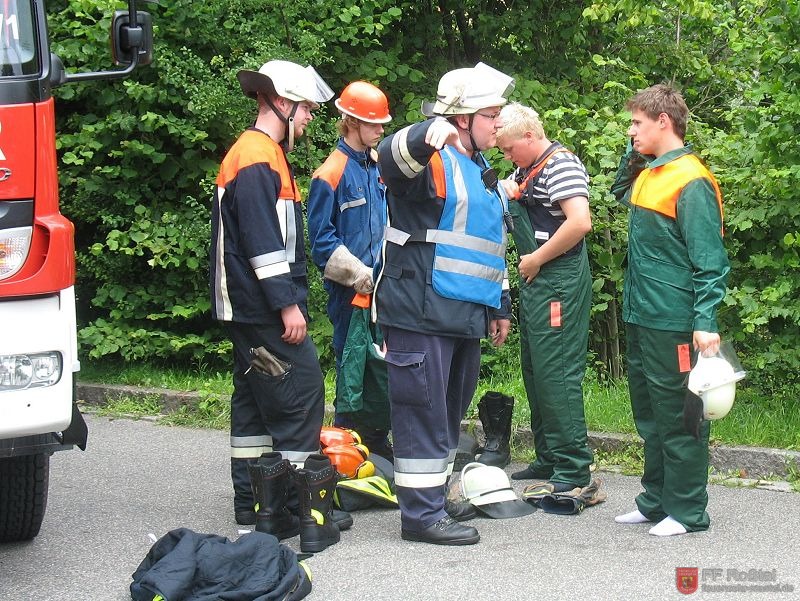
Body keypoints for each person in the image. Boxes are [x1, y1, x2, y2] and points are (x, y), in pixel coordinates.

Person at [375, 62, 515, 546]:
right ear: (462, 119)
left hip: (462, 313)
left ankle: (434, 501)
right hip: (420, 309)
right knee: (422, 413)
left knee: (448, 414)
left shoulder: (481, 170)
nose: (499, 123)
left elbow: (488, 244)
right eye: (491, 115)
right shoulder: (432, 157)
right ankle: (419, 518)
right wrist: (423, 131)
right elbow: (388, 159)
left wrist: (500, 305)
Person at [209, 59, 337, 531]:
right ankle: (294, 512)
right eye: (305, 108)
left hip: (246, 306)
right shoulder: (259, 156)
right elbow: (263, 243)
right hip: (263, 306)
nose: (308, 118)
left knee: (253, 405)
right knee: (301, 395)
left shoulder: (258, 152)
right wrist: (288, 305)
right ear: (282, 103)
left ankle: (253, 509)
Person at [610, 83, 730, 537]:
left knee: (681, 416)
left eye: (637, 123)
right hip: (643, 313)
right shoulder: (651, 173)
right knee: (649, 414)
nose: (631, 130)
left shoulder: (691, 179)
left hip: (674, 318)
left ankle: (687, 511)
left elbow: (710, 261)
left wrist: (705, 321)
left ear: (664, 122)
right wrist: (633, 149)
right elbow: (620, 189)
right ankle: (655, 501)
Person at [495, 102, 594, 492]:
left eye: (508, 149)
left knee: (558, 374)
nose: (506, 156)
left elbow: (580, 222)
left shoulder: (561, 165)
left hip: (558, 280)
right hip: (537, 281)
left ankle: (573, 467)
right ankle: (549, 457)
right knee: (536, 370)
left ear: (531, 136)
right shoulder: (526, 169)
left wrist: (535, 258)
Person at [307, 81, 393, 460]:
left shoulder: (377, 167)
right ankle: (345, 447)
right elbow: (321, 242)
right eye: (375, 125)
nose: (381, 131)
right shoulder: (330, 173)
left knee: (381, 365)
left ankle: (375, 441)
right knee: (351, 364)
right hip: (351, 292)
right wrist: (358, 274)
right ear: (352, 121)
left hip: (383, 288)